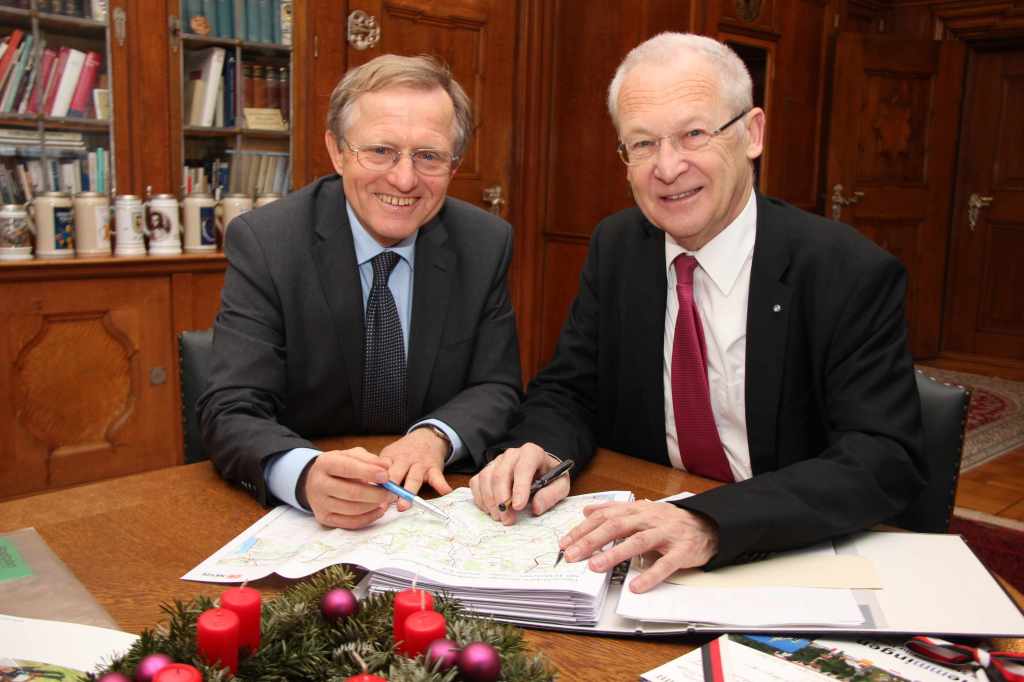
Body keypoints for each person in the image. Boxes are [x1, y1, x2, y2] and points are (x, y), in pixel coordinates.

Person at [469, 33, 925, 591]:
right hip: (642, 548)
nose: (667, 167)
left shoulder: (846, 270)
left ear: (752, 133)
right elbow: (571, 389)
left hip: (789, 550)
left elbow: (881, 459)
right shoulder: (619, 246)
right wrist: (541, 449)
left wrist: (712, 523)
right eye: (641, 144)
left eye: (693, 134)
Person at [199, 54, 521, 530]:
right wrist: (302, 474)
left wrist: (434, 436)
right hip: (302, 520)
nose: (404, 179)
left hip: (429, 509)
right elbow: (230, 406)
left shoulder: (484, 242)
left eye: (428, 156)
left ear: (455, 164)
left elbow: (497, 386)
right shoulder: (269, 242)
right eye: (381, 151)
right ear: (337, 151)